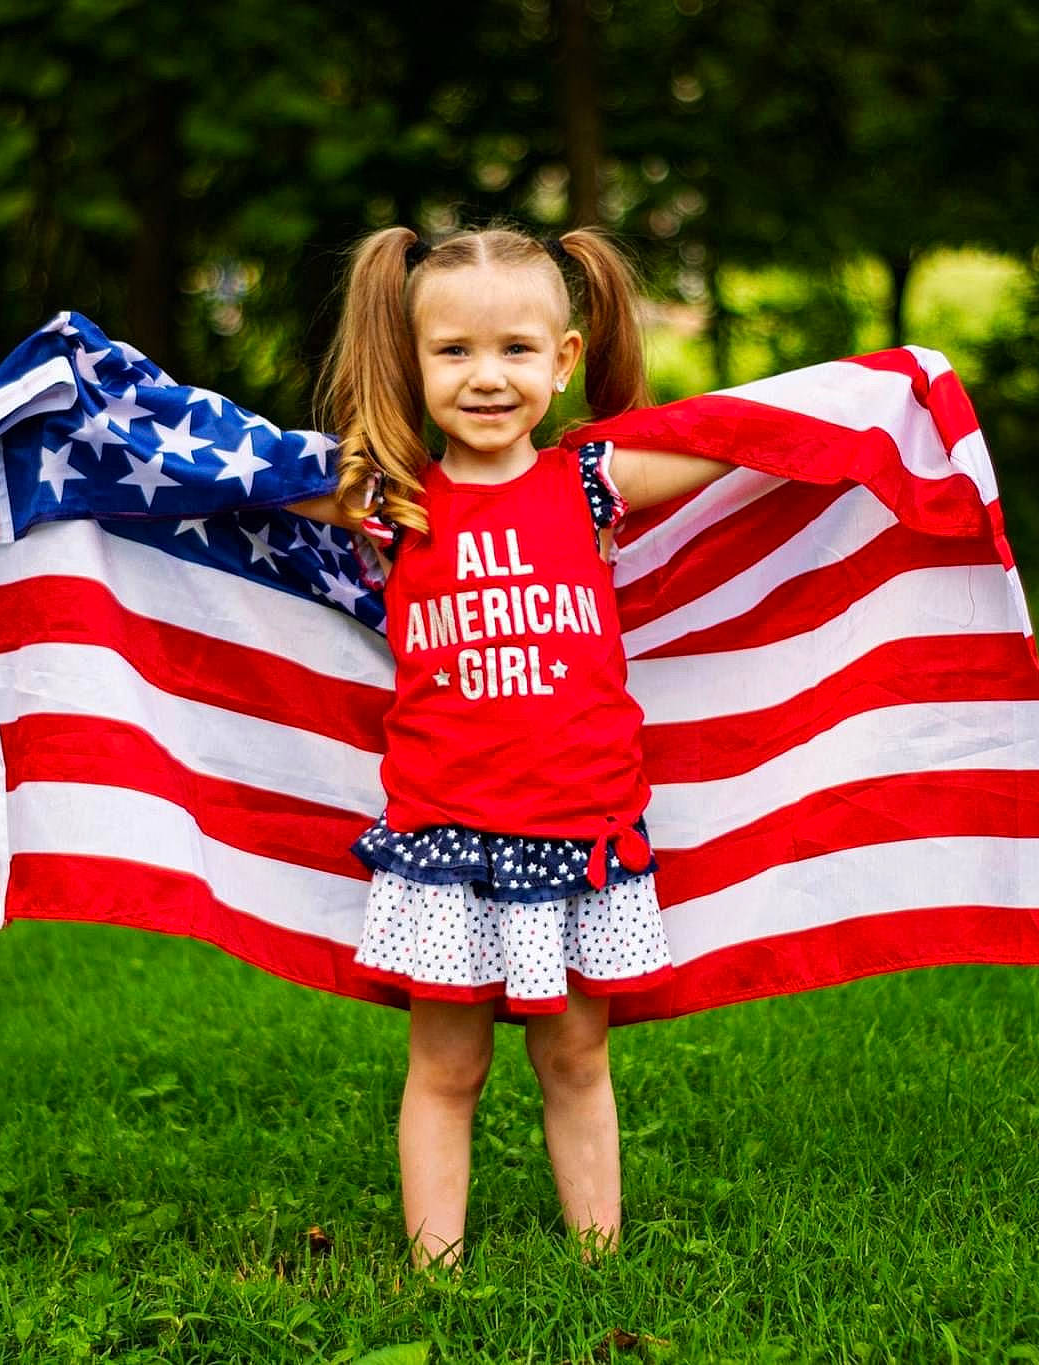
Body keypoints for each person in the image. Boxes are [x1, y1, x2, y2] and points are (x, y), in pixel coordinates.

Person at [283, 220, 736, 1274]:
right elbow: (238, 474)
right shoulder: (393, 497)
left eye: (515, 349)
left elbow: (739, 440)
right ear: (410, 360)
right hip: (447, 842)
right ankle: (434, 1274)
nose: (486, 377)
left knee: (576, 1056)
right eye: (453, 351)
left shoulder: (591, 483)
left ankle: (599, 1263)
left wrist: (869, 401)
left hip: (581, 832)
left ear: (563, 358)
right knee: (448, 1067)